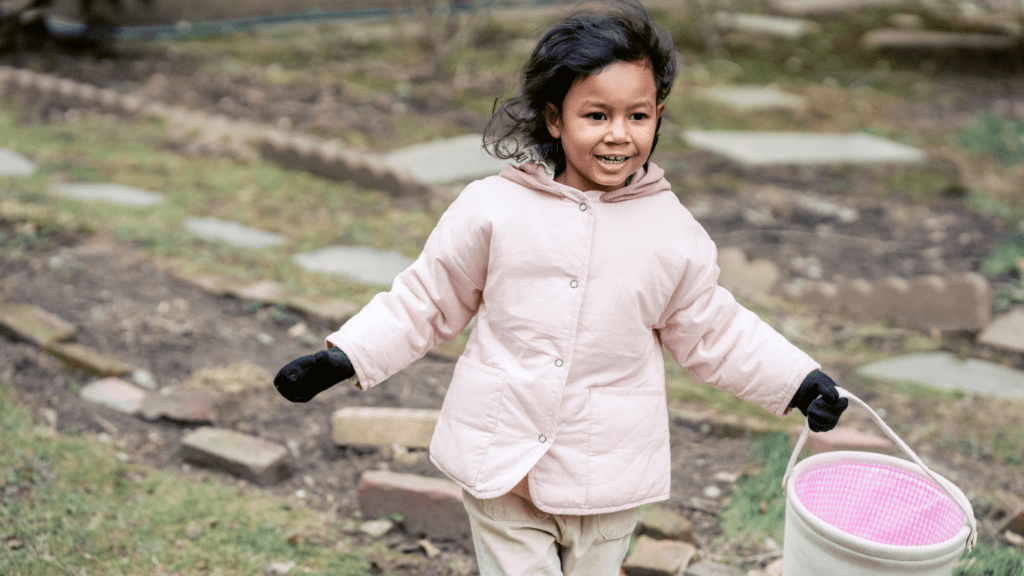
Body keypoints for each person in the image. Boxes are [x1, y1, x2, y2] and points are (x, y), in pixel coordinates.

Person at [274, 1, 848, 574]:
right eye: (596, 116)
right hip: (502, 464)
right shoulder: (493, 208)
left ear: (659, 116)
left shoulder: (672, 233)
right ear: (555, 119)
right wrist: (345, 356)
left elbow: (715, 329)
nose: (619, 135)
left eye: (638, 117)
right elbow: (428, 297)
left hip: (607, 475)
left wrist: (796, 381)